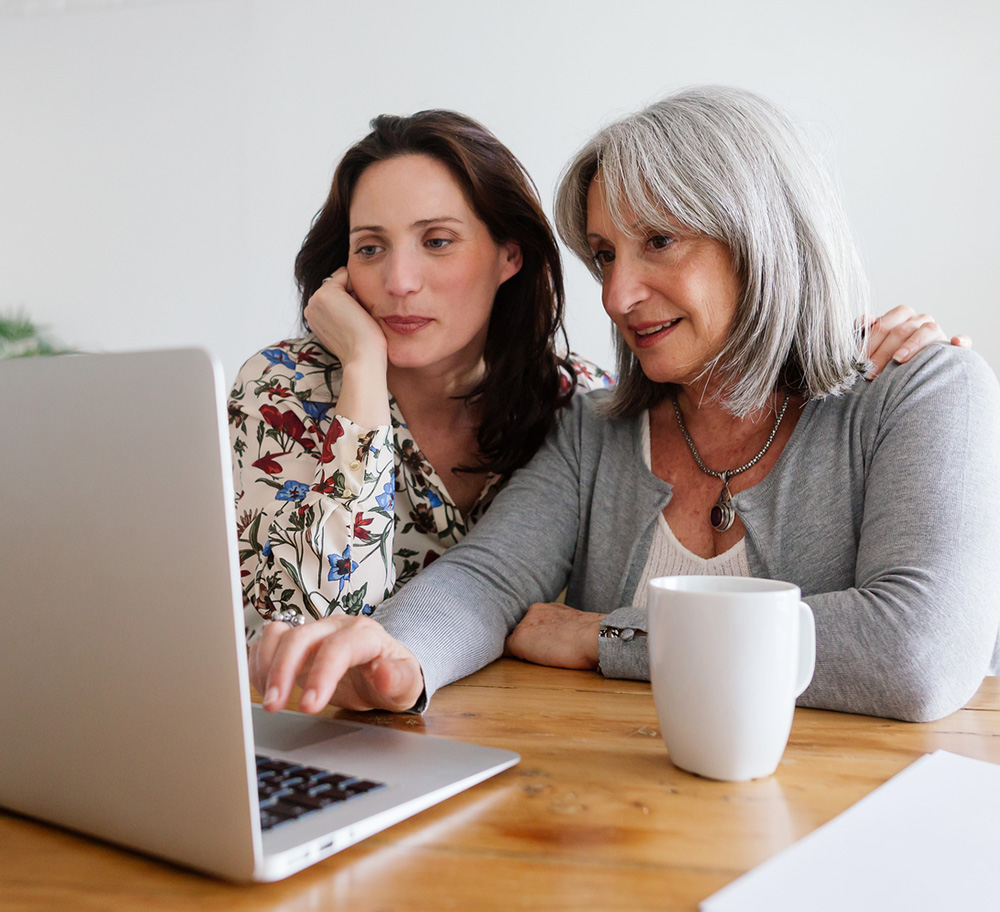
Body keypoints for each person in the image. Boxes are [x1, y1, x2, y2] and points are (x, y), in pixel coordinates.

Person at [248, 89, 995, 723]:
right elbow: (486, 579)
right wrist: (400, 656)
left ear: (764, 237)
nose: (616, 295)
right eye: (606, 255)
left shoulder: (924, 390)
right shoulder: (594, 426)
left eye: (660, 241)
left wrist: (611, 637)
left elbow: (916, 651)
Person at [229, 110, 612, 638]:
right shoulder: (282, 389)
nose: (400, 280)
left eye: (437, 241)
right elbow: (310, 633)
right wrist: (362, 368)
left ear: (509, 254)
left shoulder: (583, 403)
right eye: (370, 248)